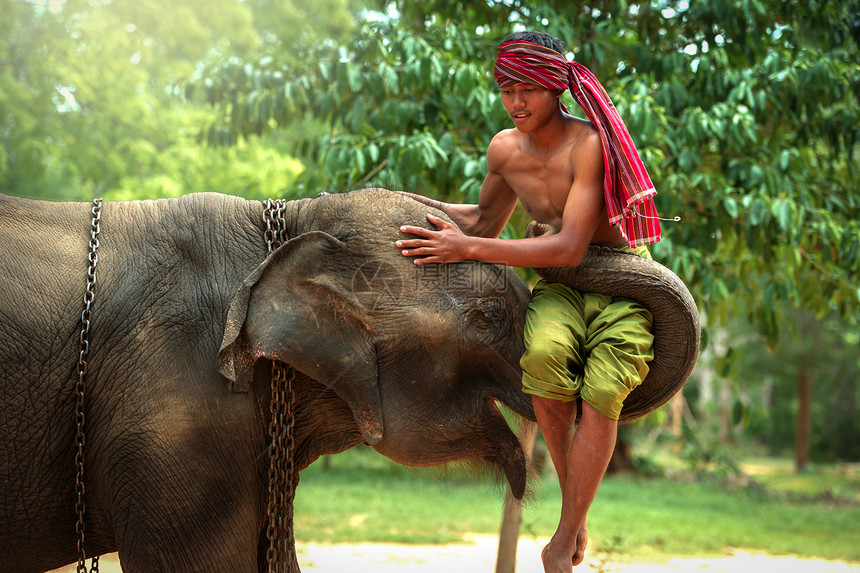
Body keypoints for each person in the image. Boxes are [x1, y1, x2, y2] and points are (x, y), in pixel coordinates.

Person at [396, 31, 663, 572]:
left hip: (620, 280)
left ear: (555, 87)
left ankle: (561, 540)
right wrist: (396, 205)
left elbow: (568, 247)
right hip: (560, 289)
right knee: (541, 365)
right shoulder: (504, 149)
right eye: (505, 89)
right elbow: (482, 220)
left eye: (528, 90)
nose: (515, 102)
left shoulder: (587, 145)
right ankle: (575, 524)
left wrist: (467, 247)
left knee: (604, 387)